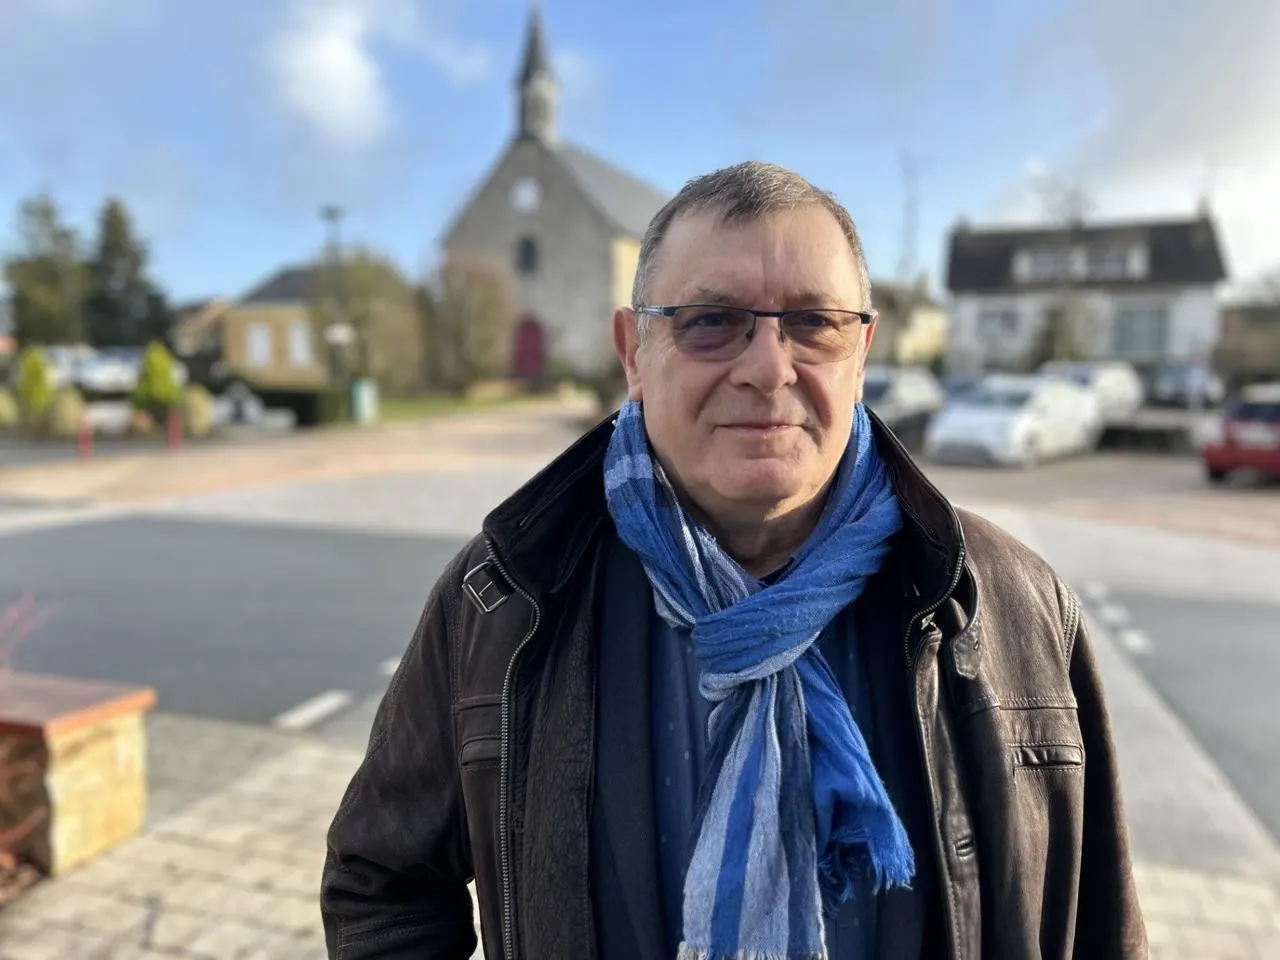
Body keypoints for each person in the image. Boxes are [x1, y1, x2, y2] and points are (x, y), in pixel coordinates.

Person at [320, 162, 1147, 959]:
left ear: (862, 354)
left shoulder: (1013, 603)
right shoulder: (504, 595)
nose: (767, 367)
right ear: (634, 352)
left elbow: (1101, 927)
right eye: (711, 321)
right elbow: (382, 881)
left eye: (814, 323)